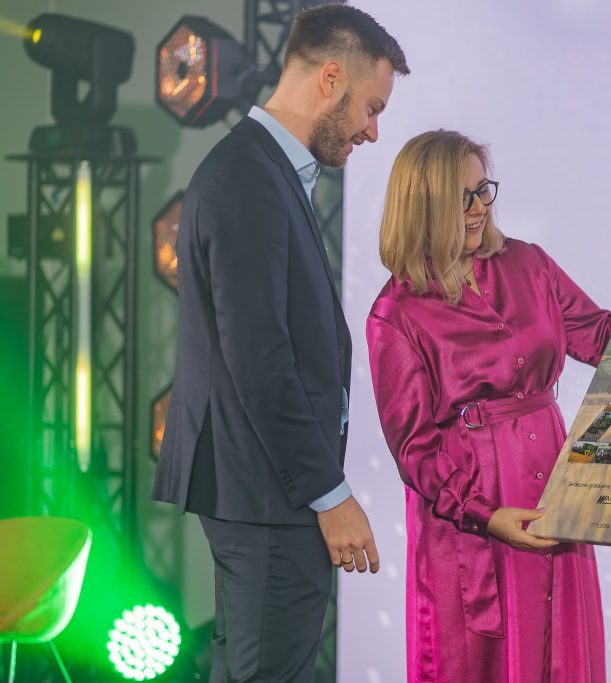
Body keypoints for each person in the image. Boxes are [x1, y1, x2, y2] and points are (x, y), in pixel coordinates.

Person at [366, 130, 611, 682]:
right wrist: (485, 515)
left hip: (555, 489)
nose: (480, 208)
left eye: (483, 190)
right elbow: (413, 447)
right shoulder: (395, 314)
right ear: (423, 206)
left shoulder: (528, 263)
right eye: (462, 197)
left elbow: (602, 337)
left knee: (561, 653)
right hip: (473, 514)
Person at [151, 5, 408, 681]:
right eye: (372, 107)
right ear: (331, 79)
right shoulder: (248, 179)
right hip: (271, 498)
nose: (374, 131)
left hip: (264, 494)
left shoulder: (260, 171)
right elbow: (260, 360)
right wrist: (330, 493)